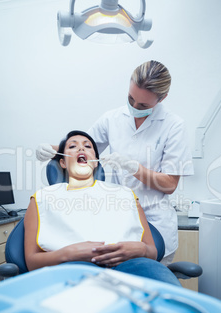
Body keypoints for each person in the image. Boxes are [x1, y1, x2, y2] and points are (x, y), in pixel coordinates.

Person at [36, 61, 194, 265]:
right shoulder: (112, 119)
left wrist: (133, 168)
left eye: (143, 105)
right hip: (119, 219)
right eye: (131, 99)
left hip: (155, 221)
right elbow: (83, 147)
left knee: (147, 279)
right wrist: (53, 149)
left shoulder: (174, 126)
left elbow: (170, 184)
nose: (135, 107)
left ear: (162, 98)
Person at [27, 130, 180, 286]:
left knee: (169, 301)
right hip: (75, 266)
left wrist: (142, 250)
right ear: (63, 162)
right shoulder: (42, 198)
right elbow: (32, 262)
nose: (81, 149)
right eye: (73, 146)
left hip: (133, 264)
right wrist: (66, 254)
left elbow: (152, 252)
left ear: (95, 161)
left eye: (88, 146)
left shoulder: (125, 194)